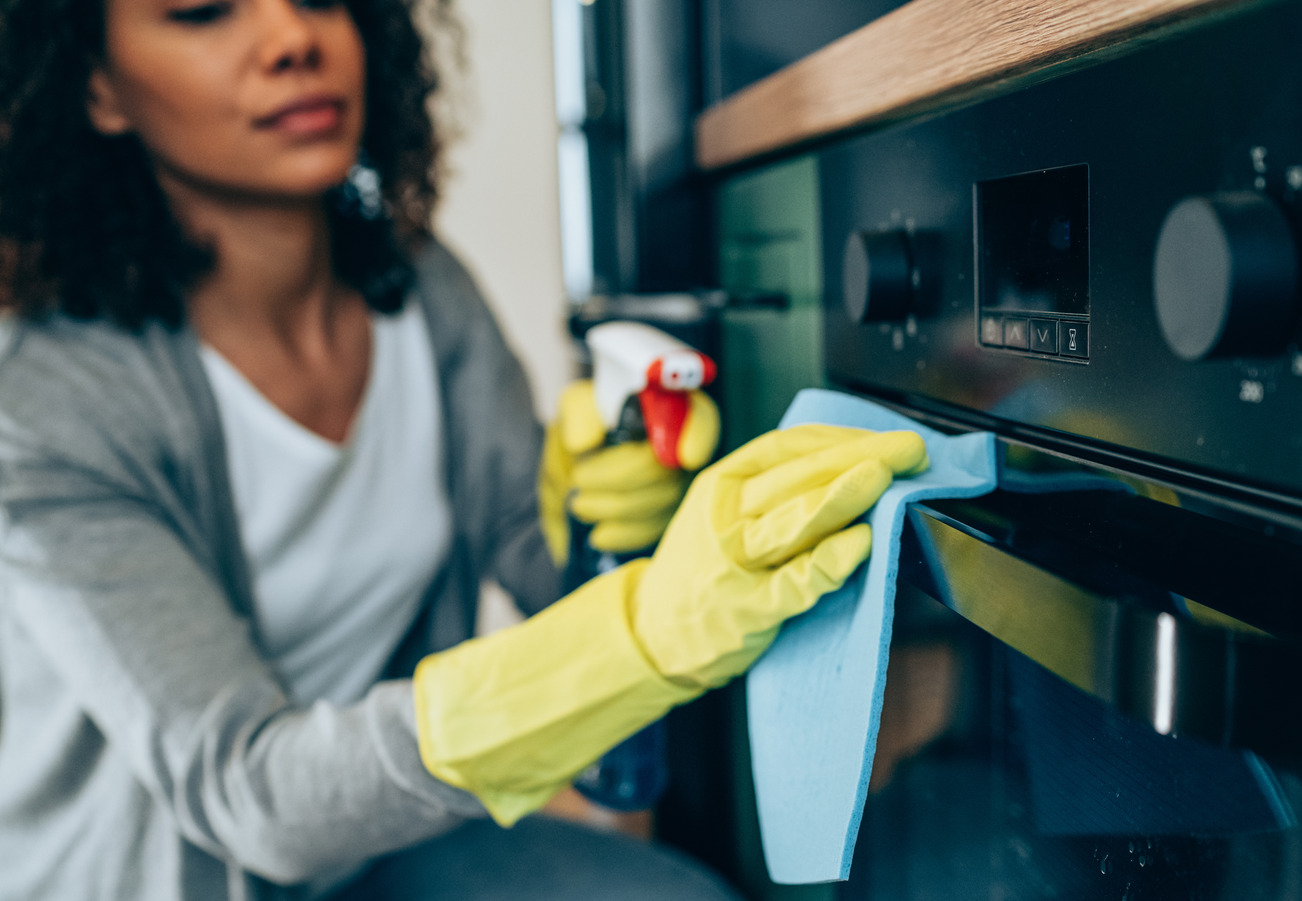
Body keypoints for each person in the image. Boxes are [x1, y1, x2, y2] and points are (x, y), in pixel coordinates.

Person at [0, 1, 928, 899]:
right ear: (96, 89)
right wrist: (643, 630)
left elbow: (534, 559)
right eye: (205, 10)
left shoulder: (420, 286)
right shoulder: (43, 411)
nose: (292, 37)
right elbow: (254, 797)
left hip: (380, 847)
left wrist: (605, 524)